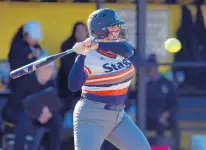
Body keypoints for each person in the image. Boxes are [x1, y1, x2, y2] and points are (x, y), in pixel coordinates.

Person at [68, 8, 151, 150]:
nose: (118, 29)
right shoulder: (89, 56)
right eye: (113, 27)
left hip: (119, 116)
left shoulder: (119, 47)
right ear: (101, 30)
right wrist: (80, 55)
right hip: (92, 116)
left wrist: (98, 44)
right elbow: (73, 86)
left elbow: (128, 50)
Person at [2, 21, 62, 150]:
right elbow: (23, 99)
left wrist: (48, 111)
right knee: (24, 119)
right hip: (21, 104)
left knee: (56, 120)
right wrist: (33, 60)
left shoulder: (49, 80)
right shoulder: (17, 49)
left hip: (37, 105)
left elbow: (51, 99)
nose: (35, 41)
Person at [145, 54, 179, 150]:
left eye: (153, 67)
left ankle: (175, 147)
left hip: (165, 115)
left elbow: (174, 103)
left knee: (175, 124)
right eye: (149, 67)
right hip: (149, 116)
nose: (151, 69)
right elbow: (142, 104)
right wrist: (157, 117)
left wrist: (166, 114)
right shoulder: (144, 84)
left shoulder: (166, 83)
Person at [58, 21, 88, 112]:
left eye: (83, 31)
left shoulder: (91, 45)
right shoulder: (67, 46)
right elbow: (68, 68)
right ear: (74, 33)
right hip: (69, 83)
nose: (81, 34)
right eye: (78, 31)